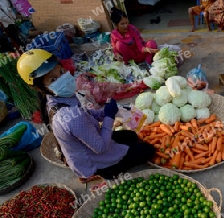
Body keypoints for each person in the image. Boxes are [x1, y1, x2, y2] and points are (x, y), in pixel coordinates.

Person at [16, 49, 155, 182]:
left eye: (62, 72)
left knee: (131, 136)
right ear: (38, 87)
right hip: (94, 161)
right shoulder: (70, 116)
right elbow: (100, 148)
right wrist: (109, 116)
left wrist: (104, 112)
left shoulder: (57, 99)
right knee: (148, 150)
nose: (62, 78)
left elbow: (87, 114)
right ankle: (100, 173)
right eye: (53, 79)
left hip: (86, 146)